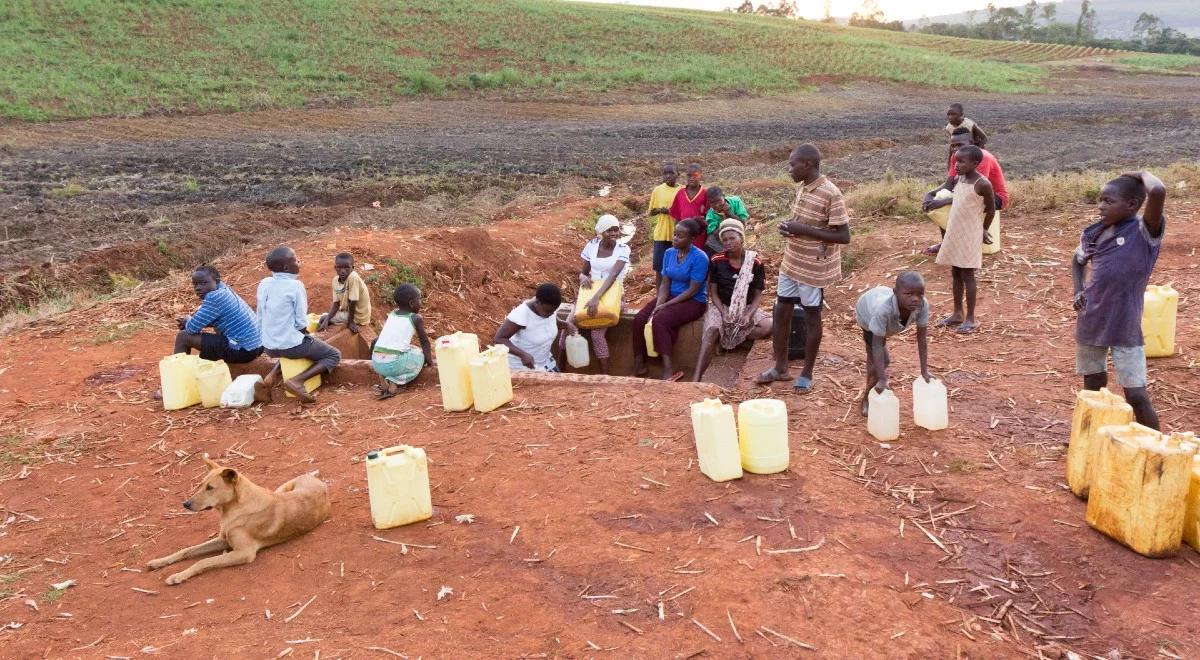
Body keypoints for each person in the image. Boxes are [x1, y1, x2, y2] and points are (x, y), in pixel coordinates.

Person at [1072, 172, 1166, 430]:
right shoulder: (1094, 232)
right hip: (1091, 318)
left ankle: (1156, 447)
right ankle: (1090, 441)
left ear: (1132, 205)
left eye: (1108, 201)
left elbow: (1157, 191)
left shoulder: (1145, 231)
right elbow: (1078, 260)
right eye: (1099, 200)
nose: (1100, 206)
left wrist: (1139, 174)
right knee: (1093, 388)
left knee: (1136, 395)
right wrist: (1078, 290)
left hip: (1126, 325)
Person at [757, 144, 850, 394]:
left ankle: (807, 373)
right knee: (781, 311)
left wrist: (803, 230)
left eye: (792, 164)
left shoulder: (831, 193)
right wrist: (790, 228)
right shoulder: (803, 188)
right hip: (792, 261)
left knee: (811, 317)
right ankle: (780, 367)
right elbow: (804, 224)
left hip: (813, 268)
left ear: (807, 165)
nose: (789, 169)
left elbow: (843, 235)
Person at [256, 246, 341, 403]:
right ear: (287, 267)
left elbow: (260, 316)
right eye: (295, 259)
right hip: (289, 346)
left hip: (268, 345)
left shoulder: (264, 283)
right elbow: (301, 322)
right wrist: (306, 335)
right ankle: (298, 381)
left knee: (288, 343)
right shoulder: (295, 286)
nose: (299, 261)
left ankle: (270, 378)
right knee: (333, 354)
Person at [692, 219, 771, 382]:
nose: (728, 243)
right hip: (722, 305)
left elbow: (757, 295)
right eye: (725, 239)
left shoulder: (754, 261)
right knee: (711, 331)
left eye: (732, 238)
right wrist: (724, 312)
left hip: (745, 305)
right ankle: (696, 376)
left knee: (767, 326)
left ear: (741, 238)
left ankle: (733, 340)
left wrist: (748, 314)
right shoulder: (716, 260)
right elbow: (713, 293)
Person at [631, 219, 709, 381]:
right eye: (675, 234)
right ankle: (639, 362)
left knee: (660, 320)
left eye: (680, 236)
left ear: (692, 239)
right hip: (670, 295)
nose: (675, 238)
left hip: (693, 301)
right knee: (639, 318)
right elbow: (665, 283)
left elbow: (693, 290)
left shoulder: (700, 258)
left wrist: (666, 305)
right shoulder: (669, 253)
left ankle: (669, 370)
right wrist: (659, 303)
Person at [933, 145, 995, 335]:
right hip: (955, 231)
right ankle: (957, 313)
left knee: (968, 274)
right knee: (955, 272)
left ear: (975, 163)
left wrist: (983, 229)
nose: (956, 165)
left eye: (961, 161)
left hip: (970, 233)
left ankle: (970, 318)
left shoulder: (982, 184)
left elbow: (991, 209)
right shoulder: (959, 179)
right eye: (955, 161)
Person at [855, 271, 931, 416]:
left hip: (882, 304)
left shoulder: (922, 305)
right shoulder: (882, 310)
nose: (915, 299)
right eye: (909, 294)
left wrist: (924, 371)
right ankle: (867, 398)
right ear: (895, 293)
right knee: (881, 361)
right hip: (867, 311)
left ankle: (876, 386)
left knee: (881, 363)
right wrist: (883, 378)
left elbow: (921, 338)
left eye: (919, 294)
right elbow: (877, 344)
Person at [923, 128, 1008, 255]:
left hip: (995, 197)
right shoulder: (957, 156)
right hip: (972, 193)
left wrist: (943, 202)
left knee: (947, 203)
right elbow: (949, 184)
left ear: (971, 143)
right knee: (942, 196)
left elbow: (974, 192)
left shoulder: (981, 158)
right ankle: (948, 243)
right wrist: (930, 195)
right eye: (953, 146)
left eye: (960, 145)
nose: (956, 149)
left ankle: (962, 244)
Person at [173, 265, 262, 364]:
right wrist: (191, 321)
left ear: (217, 280)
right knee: (214, 323)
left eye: (203, 283)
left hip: (244, 350)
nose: (198, 288)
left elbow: (192, 328)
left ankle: (179, 371)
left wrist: (187, 321)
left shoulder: (214, 297)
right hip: (258, 346)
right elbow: (209, 320)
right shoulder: (223, 289)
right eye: (195, 284)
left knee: (183, 337)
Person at [578, 214, 630, 374]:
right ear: (601, 232)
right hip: (591, 293)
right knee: (569, 324)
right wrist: (582, 277)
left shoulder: (623, 249)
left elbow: (613, 275)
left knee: (596, 333)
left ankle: (604, 375)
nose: (614, 233)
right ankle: (560, 366)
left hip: (613, 296)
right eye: (609, 230)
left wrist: (596, 298)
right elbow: (584, 272)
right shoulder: (592, 246)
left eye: (616, 230)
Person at [496, 283, 578, 372]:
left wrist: (567, 324)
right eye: (548, 312)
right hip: (522, 367)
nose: (550, 314)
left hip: (545, 362)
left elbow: (554, 322)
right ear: (537, 302)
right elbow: (499, 339)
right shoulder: (521, 315)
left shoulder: (548, 309)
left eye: (553, 311)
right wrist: (522, 355)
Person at [371, 284, 433, 400]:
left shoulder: (392, 314)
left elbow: (378, 340)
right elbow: (425, 342)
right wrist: (429, 362)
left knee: (409, 349)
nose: (421, 302)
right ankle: (395, 383)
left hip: (376, 363)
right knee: (420, 355)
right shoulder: (415, 318)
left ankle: (382, 378)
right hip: (393, 365)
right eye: (419, 299)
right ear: (411, 303)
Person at [318, 252, 372, 334]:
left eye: (346, 267)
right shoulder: (335, 281)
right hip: (348, 312)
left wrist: (351, 322)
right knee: (326, 317)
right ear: (335, 268)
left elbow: (353, 301)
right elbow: (336, 304)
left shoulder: (353, 277)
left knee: (322, 318)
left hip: (359, 316)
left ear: (352, 268)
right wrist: (327, 318)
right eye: (339, 267)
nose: (343, 271)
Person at [647, 162, 681, 285]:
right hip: (661, 234)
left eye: (671, 173)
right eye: (665, 173)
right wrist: (661, 210)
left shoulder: (682, 190)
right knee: (659, 267)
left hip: (679, 234)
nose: (667, 176)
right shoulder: (658, 190)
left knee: (677, 265)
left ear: (678, 174)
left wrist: (672, 211)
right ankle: (659, 297)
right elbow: (651, 212)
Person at [669, 163, 709, 252]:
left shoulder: (705, 193)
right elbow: (677, 217)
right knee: (684, 255)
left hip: (699, 235)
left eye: (695, 175)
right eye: (689, 176)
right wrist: (676, 234)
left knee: (697, 256)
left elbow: (709, 216)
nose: (691, 178)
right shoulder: (680, 193)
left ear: (700, 176)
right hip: (683, 234)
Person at [702, 187, 750, 256]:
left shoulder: (735, 202)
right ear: (709, 202)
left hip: (737, 235)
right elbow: (714, 234)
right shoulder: (711, 214)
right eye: (712, 203)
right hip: (719, 241)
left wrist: (729, 213)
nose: (717, 205)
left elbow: (743, 224)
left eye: (719, 201)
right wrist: (724, 220)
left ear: (724, 196)